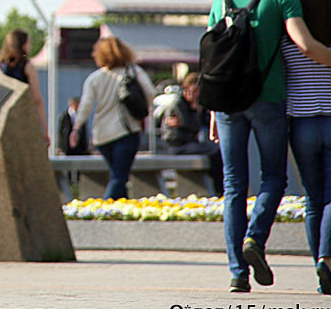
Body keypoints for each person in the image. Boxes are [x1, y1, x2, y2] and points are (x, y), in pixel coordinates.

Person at [207, 0, 331, 294]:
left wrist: (213, 110)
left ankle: (237, 273)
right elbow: (303, 44)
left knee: (232, 187)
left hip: (227, 103)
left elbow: (212, 58)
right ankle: (255, 238)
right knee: (273, 177)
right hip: (267, 99)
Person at [280, 0, 331, 295]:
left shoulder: (289, 36)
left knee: (313, 199)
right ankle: (328, 258)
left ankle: (317, 266)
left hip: (301, 122)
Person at [71, 36, 154, 199]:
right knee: (119, 177)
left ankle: (120, 212)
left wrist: (76, 128)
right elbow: (150, 93)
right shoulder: (134, 72)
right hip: (126, 131)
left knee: (117, 174)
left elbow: (86, 106)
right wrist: (141, 111)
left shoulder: (94, 78)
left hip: (102, 135)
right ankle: (105, 212)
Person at [156, 73, 224, 195]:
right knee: (214, 152)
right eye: (193, 91)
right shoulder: (178, 104)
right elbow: (192, 125)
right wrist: (195, 109)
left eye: (198, 91)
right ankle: (219, 190)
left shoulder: (195, 105)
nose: (195, 95)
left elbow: (203, 123)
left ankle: (218, 186)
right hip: (177, 144)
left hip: (189, 141)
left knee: (217, 151)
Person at [0, 29, 50, 146]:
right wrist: (45, 129)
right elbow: (37, 100)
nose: (30, 46)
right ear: (22, 45)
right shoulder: (27, 66)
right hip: (22, 119)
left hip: (1, 121)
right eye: (28, 43)